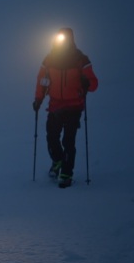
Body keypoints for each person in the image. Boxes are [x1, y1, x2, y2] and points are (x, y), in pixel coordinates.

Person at [33, 28, 98, 188]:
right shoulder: (49, 60)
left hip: (74, 106)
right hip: (55, 105)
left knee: (69, 141)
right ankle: (58, 161)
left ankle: (66, 174)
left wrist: (87, 82)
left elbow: (94, 84)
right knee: (51, 138)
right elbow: (42, 80)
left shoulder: (80, 60)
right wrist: (38, 99)